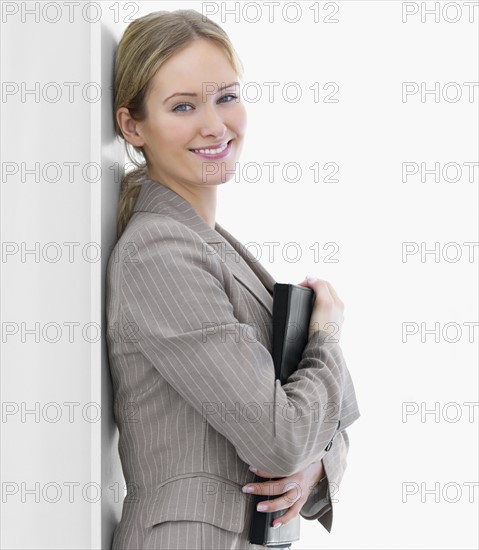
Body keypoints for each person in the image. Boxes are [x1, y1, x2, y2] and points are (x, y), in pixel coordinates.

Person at [106, 9, 360, 550]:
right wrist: (327, 334)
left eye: (225, 96)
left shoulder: (210, 243)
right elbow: (283, 439)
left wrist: (312, 471)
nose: (215, 125)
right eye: (183, 106)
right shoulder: (160, 254)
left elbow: (334, 422)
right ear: (133, 125)